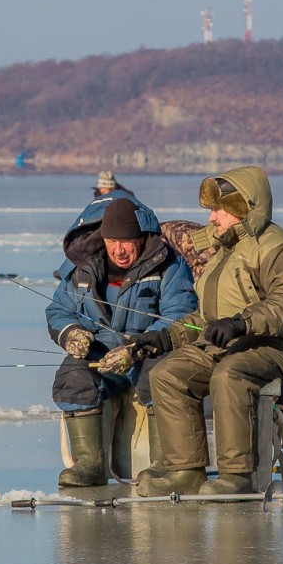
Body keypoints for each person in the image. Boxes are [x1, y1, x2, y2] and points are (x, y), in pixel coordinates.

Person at [132, 166, 283, 497]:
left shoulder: (281, 248)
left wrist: (241, 323)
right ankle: (185, 471)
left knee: (229, 375)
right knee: (167, 374)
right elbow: (206, 317)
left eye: (219, 209)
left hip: (277, 345)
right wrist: (167, 338)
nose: (212, 217)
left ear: (244, 206)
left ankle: (238, 474)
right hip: (227, 341)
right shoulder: (226, 249)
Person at [47, 194, 197, 487]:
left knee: (163, 374)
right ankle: (89, 464)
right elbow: (59, 310)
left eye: (126, 241)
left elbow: (181, 314)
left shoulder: (169, 265)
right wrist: (70, 332)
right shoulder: (81, 269)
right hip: (101, 354)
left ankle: (161, 463)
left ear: (141, 238)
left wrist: (138, 347)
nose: (120, 250)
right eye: (112, 241)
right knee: (73, 374)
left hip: (149, 351)